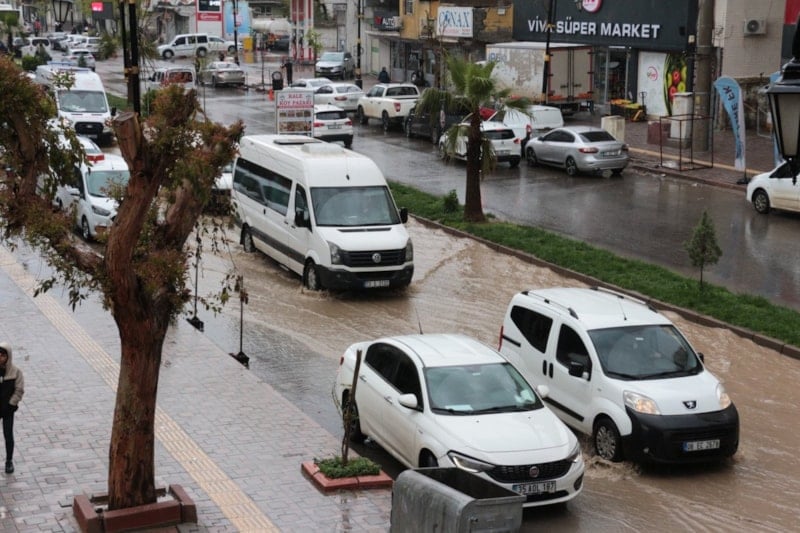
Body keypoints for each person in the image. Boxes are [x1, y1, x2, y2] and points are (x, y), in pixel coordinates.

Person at [0, 342, 24, 474]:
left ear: (8, 356)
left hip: (8, 409)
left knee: (8, 435)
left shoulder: (15, 372)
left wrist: (11, 404)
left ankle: (9, 461)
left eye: (3, 355)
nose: (0, 358)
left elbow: (19, 390)